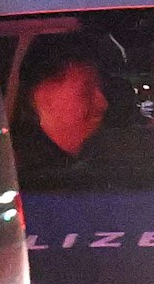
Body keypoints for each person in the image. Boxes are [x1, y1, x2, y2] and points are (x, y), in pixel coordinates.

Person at [12, 33, 121, 181]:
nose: (103, 103)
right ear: (44, 97)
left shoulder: (104, 156)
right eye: (86, 90)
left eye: (100, 87)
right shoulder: (29, 177)